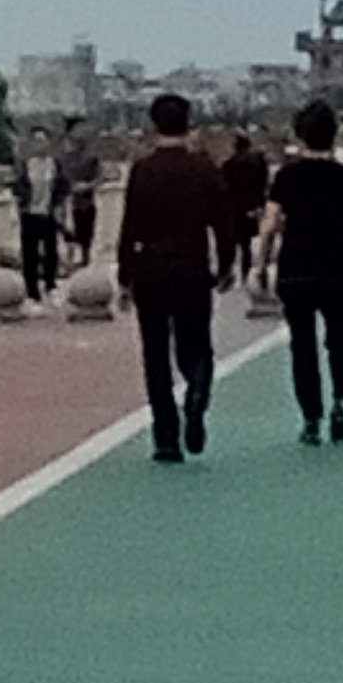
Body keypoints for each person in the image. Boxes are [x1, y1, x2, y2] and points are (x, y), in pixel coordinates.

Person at [116, 94, 233, 463]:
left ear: (154, 126)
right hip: (192, 265)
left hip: (151, 266)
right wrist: (226, 265)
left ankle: (166, 436)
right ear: (188, 124)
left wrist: (124, 276)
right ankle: (197, 392)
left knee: (155, 353)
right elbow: (223, 222)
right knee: (196, 343)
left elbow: (129, 226)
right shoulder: (204, 169)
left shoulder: (143, 171)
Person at [256, 101, 343, 444]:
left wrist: (261, 266)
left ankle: (311, 416)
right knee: (340, 337)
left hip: (296, 264)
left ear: (300, 134)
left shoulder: (286, 176)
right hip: (337, 263)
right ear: (333, 134)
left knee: (302, 343)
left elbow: (269, 225)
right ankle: (340, 401)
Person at [11, 125, 67, 302]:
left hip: (48, 213)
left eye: (42, 140)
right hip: (30, 213)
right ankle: (32, 290)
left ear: (49, 143)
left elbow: (63, 187)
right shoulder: (26, 166)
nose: (39, 144)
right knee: (30, 253)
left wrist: (59, 206)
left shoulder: (54, 165)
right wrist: (22, 203)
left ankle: (50, 284)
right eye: (35, 141)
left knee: (51, 250)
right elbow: (17, 187)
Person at [220, 132, 269, 287]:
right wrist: (260, 205)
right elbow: (262, 185)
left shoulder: (228, 165)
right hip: (250, 206)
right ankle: (245, 274)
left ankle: (228, 272)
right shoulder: (257, 163)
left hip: (233, 207)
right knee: (246, 243)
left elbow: (223, 188)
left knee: (231, 241)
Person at [60, 118, 103, 269]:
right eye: (78, 129)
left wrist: (87, 186)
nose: (82, 133)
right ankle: (69, 259)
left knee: (86, 233)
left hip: (86, 201)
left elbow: (99, 177)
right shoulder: (63, 156)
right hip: (68, 202)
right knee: (69, 232)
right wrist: (70, 186)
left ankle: (85, 258)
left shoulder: (92, 156)